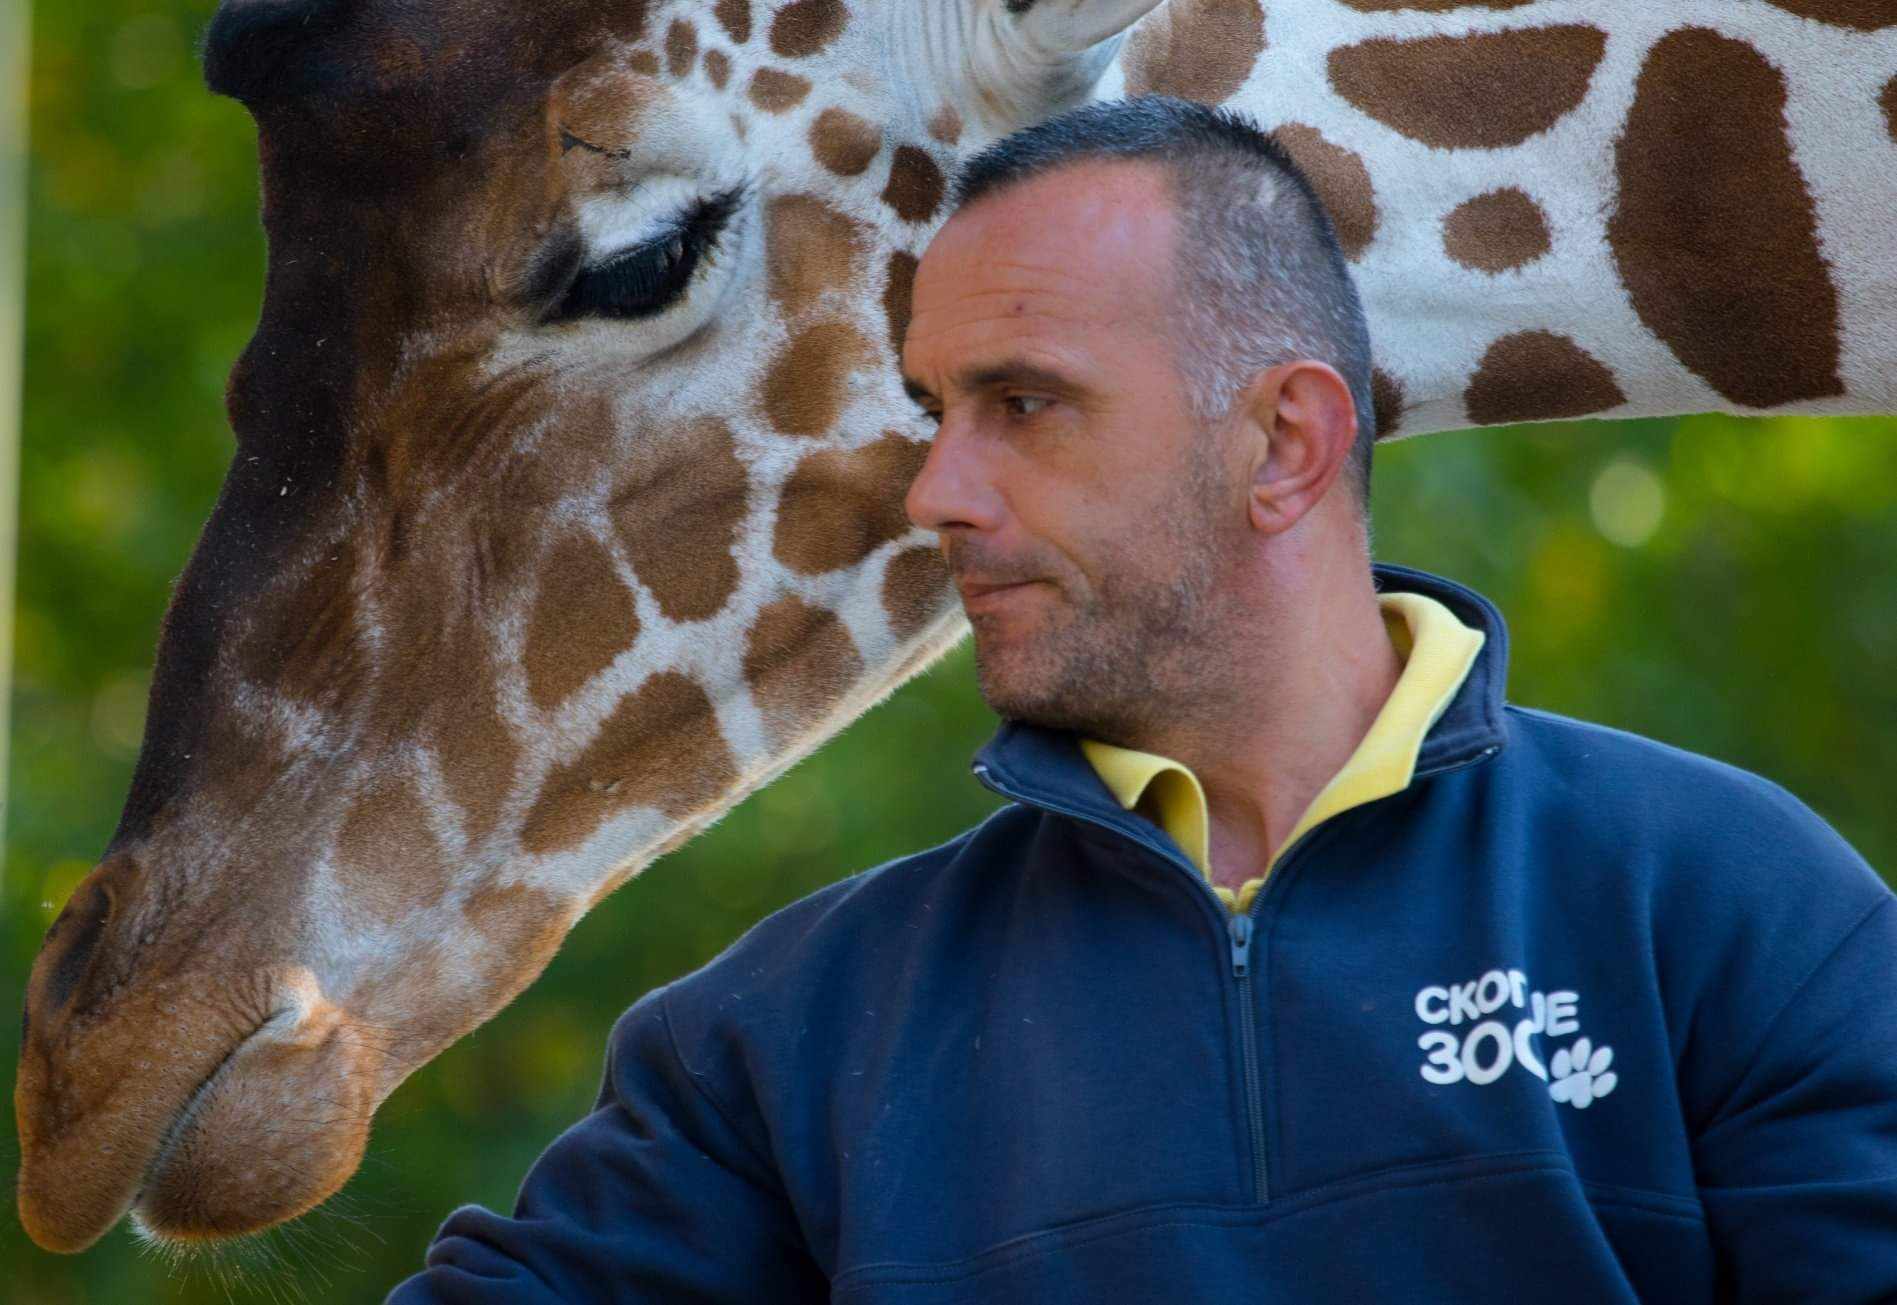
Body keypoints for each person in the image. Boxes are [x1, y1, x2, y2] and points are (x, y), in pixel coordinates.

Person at [388, 97, 1897, 1303]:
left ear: (1285, 442)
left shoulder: (1733, 910)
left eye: (1022, 403)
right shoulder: (786, 1041)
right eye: (935, 410)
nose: (934, 490)